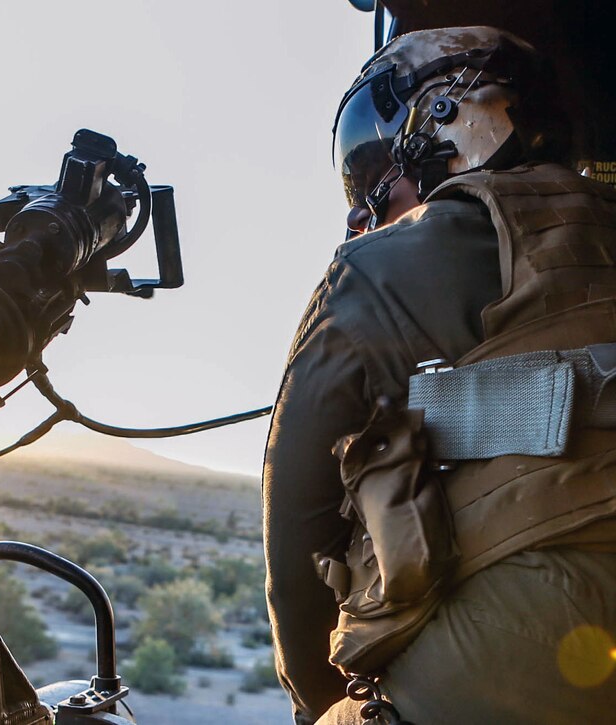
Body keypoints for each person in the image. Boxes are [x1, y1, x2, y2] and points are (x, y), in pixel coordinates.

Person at [263, 25, 616, 724]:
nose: (365, 208)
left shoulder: (371, 270)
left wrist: (316, 701)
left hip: (515, 665)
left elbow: (297, 533)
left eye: (374, 178)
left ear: (442, 127)